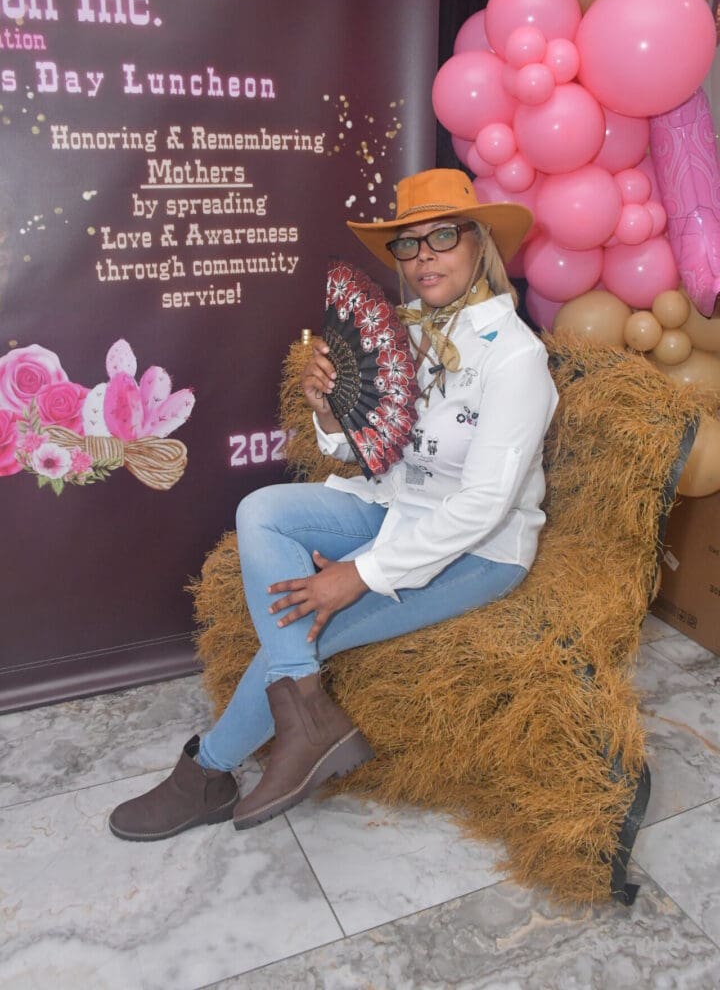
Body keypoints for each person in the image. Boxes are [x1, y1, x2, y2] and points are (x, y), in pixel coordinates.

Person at [109, 168, 558, 842]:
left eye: (442, 237)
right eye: (408, 244)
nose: (424, 256)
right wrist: (326, 412)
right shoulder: (410, 336)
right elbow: (377, 451)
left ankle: (209, 771)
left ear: (480, 244)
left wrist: (359, 574)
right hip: (397, 505)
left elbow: (484, 506)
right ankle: (310, 719)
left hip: (480, 549)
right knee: (262, 511)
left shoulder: (516, 358)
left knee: (313, 624)